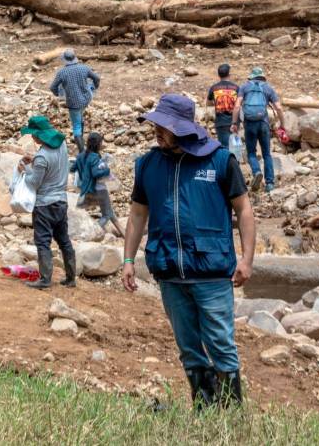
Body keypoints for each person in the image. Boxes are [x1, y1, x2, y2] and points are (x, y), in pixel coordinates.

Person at [122, 94, 255, 410]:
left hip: (211, 272)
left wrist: (247, 259)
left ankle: (231, 413)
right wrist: (128, 259)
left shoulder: (221, 161)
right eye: (156, 125)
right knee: (189, 348)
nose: (156, 131)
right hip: (169, 273)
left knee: (221, 344)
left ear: (182, 128)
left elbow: (244, 210)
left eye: (163, 127)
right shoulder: (148, 165)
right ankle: (205, 408)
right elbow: (138, 213)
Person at [17, 115, 76, 289]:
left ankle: (45, 279)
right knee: (64, 240)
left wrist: (25, 170)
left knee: (43, 242)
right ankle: (71, 278)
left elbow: (34, 182)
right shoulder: (62, 146)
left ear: (38, 135)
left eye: (33, 134)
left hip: (44, 205)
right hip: (61, 201)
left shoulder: (42, 157)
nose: (32, 138)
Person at [231, 67, 286, 193]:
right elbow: (278, 107)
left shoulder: (244, 87)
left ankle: (256, 172)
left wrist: (234, 123)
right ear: (263, 77)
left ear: (251, 77)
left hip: (249, 124)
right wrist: (282, 125)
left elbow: (237, 105)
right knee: (267, 154)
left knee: (251, 152)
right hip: (263, 123)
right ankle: (270, 183)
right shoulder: (268, 88)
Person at [71, 132, 124, 238]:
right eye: (101, 142)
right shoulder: (94, 157)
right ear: (98, 144)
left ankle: (124, 233)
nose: (102, 144)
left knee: (109, 211)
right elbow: (96, 173)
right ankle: (90, 234)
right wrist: (107, 170)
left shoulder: (81, 155)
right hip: (99, 189)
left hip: (86, 190)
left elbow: (72, 169)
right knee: (107, 214)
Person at [49, 48, 100, 153]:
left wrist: (59, 94)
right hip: (86, 99)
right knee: (80, 117)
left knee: (76, 126)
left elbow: (52, 87)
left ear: (65, 59)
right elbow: (97, 78)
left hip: (73, 103)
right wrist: (95, 87)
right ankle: (81, 136)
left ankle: (82, 153)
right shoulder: (83, 68)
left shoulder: (62, 72)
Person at [206, 63, 239, 148]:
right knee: (236, 148)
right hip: (234, 122)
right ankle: (235, 161)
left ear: (218, 75)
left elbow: (208, 103)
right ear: (229, 74)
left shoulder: (214, 88)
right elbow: (240, 104)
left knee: (224, 147)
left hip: (221, 122)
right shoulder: (236, 88)